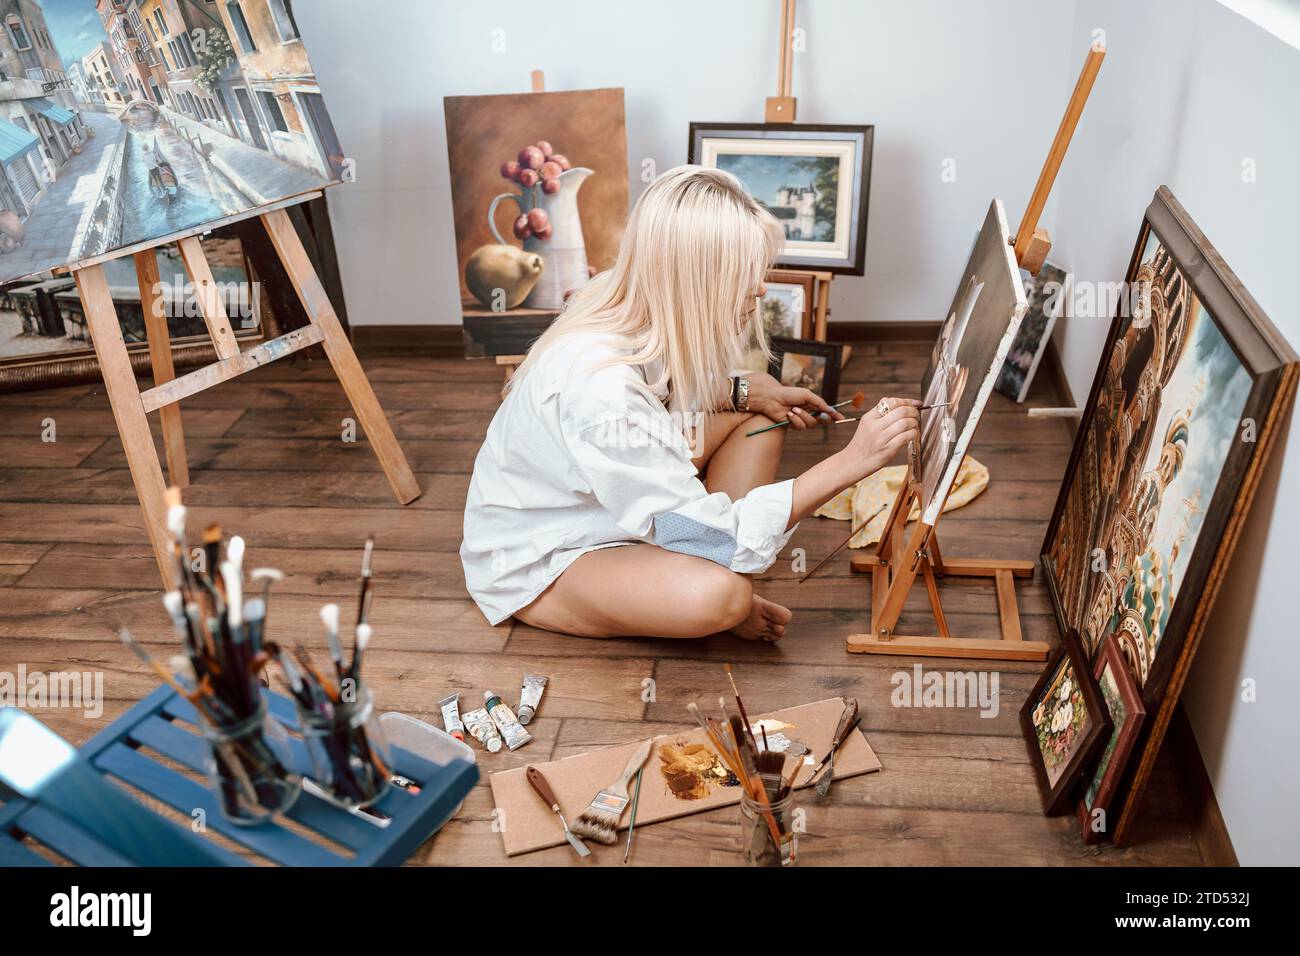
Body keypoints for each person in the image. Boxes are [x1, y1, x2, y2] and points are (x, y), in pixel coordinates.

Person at [460, 166, 919, 641]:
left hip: (608, 500)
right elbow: (705, 528)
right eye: (747, 273)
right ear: (695, 279)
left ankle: (691, 568)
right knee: (725, 597)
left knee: (761, 417)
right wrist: (853, 461)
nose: (760, 288)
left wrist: (746, 390)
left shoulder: (625, 292)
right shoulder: (602, 394)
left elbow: (660, 390)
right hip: (547, 550)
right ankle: (693, 579)